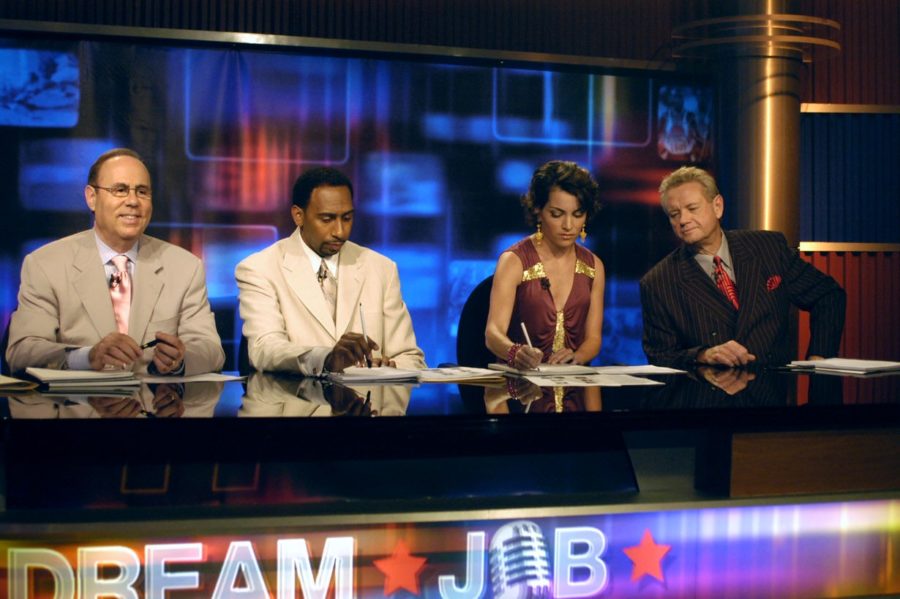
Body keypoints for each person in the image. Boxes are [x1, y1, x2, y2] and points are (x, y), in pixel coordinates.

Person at [5, 148, 225, 375]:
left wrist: (181, 360)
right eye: (120, 190)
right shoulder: (45, 265)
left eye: (142, 192)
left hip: (155, 406)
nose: (133, 201)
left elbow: (211, 351)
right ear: (92, 197)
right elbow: (22, 352)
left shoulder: (185, 267)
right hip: (77, 407)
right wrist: (87, 357)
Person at [640, 166, 845, 368]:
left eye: (692, 209)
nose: (683, 220)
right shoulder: (658, 282)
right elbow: (660, 355)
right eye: (674, 214)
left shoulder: (768, 248)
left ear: (718, 206)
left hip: (771, 394)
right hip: (709, 396)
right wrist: (702, 355)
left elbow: (827, 295)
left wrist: (819, 357)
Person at [235, 167, 425, 374]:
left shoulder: (381, 268)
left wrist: (389, 368)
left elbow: (410, 358)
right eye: (327, 219)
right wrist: (326, 358)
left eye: (347, 218)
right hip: (296, 402)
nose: (340, 232)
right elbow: (265, 349)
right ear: (298, 215)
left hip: (367, 403)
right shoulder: (260, 269)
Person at [485, 160, 605, 369]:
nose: (568, 225)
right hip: (520, 391)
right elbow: (493, 334)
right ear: (538, 211)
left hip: (575, 388)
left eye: (577, 215)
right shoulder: (514, 261)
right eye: (557, 214)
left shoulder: (594, 266)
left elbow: (593, 341)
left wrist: (577, 357)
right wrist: (516, 352)